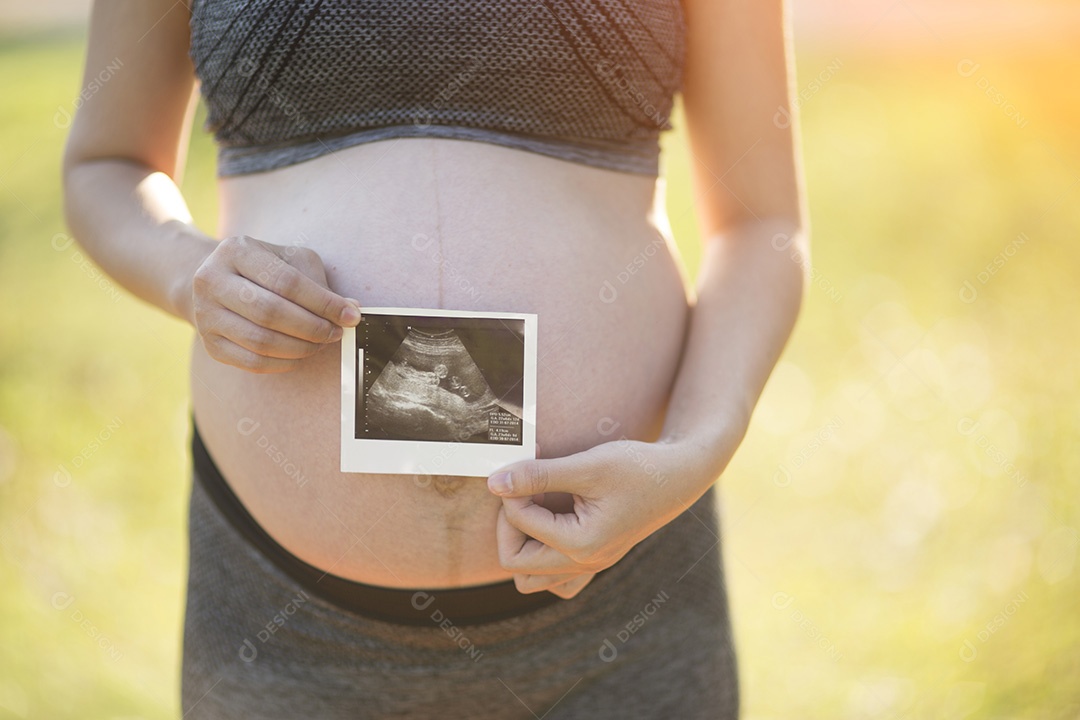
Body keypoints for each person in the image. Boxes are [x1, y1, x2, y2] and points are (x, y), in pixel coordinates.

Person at [61, 0, 808, 716]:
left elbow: (763, 223)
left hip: (623, 605)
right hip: (283, 626)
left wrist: (693, 452)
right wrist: (188, 273)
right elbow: (106, 164)